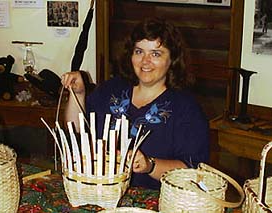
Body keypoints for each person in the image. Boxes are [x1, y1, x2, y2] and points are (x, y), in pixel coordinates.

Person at [61, 17, 210, 190]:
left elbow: (192, 171)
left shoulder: (186, 108)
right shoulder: (112, 88)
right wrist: (78, 94)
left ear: (172, 60)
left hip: (155, 199)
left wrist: (150, 165)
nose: (145, 61)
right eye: (139, 51)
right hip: (102, 192)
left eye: (156, 54)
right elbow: (76, 130)